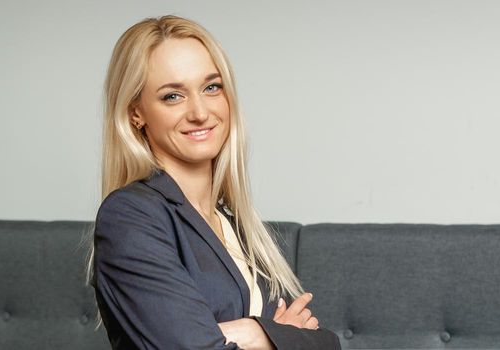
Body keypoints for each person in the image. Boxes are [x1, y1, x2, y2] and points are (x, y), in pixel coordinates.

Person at [86, 15, 342, 349]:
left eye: (211, 87)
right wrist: (267, 334)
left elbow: (325, 343)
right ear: (136, 113)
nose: (200, 112)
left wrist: (251, 332)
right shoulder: (131, 216)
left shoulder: (235, 225)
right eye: (173, 96)